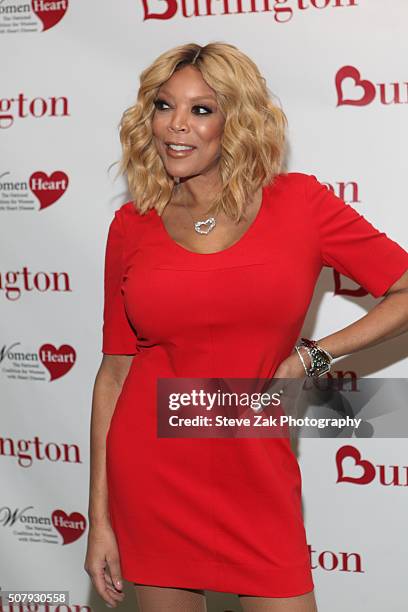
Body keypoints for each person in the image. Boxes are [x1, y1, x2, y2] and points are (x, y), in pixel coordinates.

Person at [84, 42, 408, 612]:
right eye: (164, 106)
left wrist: (313, 357)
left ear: (237, 121)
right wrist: (100, 520)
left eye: (202, 109)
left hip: (255, 469)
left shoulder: (301, 204)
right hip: (153, 472)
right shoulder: (131, 226)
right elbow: (114, 373)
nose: (176, 126)